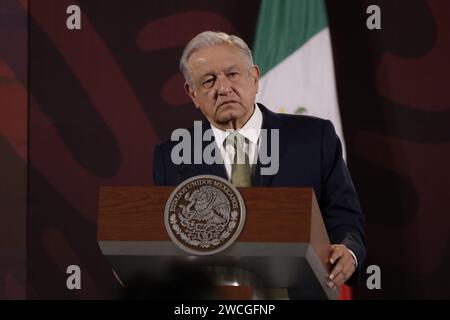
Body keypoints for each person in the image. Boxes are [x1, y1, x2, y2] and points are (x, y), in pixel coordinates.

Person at [153, 31, 366, 297]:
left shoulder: (314, 138)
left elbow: (345, 217)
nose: (223, 88)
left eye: (232, 74)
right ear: (192, 94)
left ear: (254, 78)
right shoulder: (172, 155)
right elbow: (166, 239)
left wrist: (348, 251)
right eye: (208, 81)